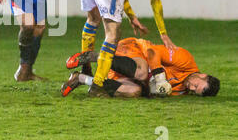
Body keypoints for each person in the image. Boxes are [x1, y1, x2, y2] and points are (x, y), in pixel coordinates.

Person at [62, 37, 220, 98]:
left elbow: (151, 92)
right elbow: (152, 52)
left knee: (134, 92)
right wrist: (159, 77)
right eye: (196, 84)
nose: (190, 87)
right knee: (143, 73)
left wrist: (153, 92)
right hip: (131, 51)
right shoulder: (185, 60)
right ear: (202, 75)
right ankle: (92, 56)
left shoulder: (181, 91)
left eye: (194, 91)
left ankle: (81, 79)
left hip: (126, 73)